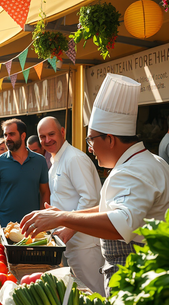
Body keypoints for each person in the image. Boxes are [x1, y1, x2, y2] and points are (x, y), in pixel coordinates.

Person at [20, 73, 169, 296]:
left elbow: (120, 223)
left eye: (91, 140)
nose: (90, 148)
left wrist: (63, 218)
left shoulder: (133, 170)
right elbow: (112, 207)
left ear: (111, 139)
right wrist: (65, 214)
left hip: (141, 280)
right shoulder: (150, 162)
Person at [37, 117, 105, 295]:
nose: (47, 140)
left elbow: (90, 198)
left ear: (62, 132)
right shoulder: (55, 161)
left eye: (51, 134)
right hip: (69, 242)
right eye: (42, 136)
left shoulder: (74, 158)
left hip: (85, 243)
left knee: (95, 293)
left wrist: (69, 227)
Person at [0, 119, 50, 227]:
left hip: (32, 226)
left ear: (23, 136)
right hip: (5, 225)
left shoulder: (40, 161)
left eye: (11, 134)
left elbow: (45, 192)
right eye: (5, 135)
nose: (7, 138)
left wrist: (41, 218)